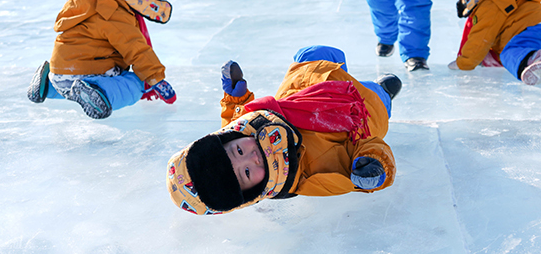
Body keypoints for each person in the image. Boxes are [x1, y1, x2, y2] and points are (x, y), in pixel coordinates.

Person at [166, 46, 403, 215]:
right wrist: (373, 164)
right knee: (378, 96)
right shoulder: (312, 176)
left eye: (238, 150)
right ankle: (383, 91)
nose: (251, 157)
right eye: (246, 172)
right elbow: (365, 149)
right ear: (252, 193)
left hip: (308, 85)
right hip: (363, 114)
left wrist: (235, 97)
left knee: (316, 54)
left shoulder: (251, 125)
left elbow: (233, 120)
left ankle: (342, 75)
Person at [25, 0, 177, 118]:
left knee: (69, 86)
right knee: (134, 84)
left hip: (59, 71)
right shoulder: (112, 11)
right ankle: (102, 93)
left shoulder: (78, 5)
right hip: (89, 73)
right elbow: (134, 46)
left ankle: (48, 85)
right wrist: (155, 78)